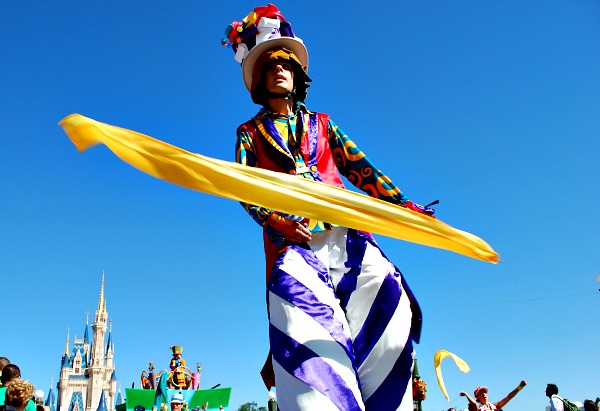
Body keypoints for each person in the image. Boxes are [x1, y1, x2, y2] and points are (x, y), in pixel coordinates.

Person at [226, 4, 436, 411]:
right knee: (309, 344)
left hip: (349, 238)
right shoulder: (248, 133)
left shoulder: (324, 124)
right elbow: (243, 186)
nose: (279, 70)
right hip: (294, 247)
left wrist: (401, 203)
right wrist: (275, 220)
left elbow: (361, 168)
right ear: (259, 81)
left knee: (389, 318)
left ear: (298, 75)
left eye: (286, 64)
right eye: (270, 67)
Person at [460, 380, 526, 411]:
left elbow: (508, 397)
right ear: (477, 397)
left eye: (485, 392)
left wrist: (520, 387)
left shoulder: (495, 406)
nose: (484, 394)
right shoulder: (479, 409)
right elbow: (474, 404)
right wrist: (466, 394)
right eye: (481, 393)